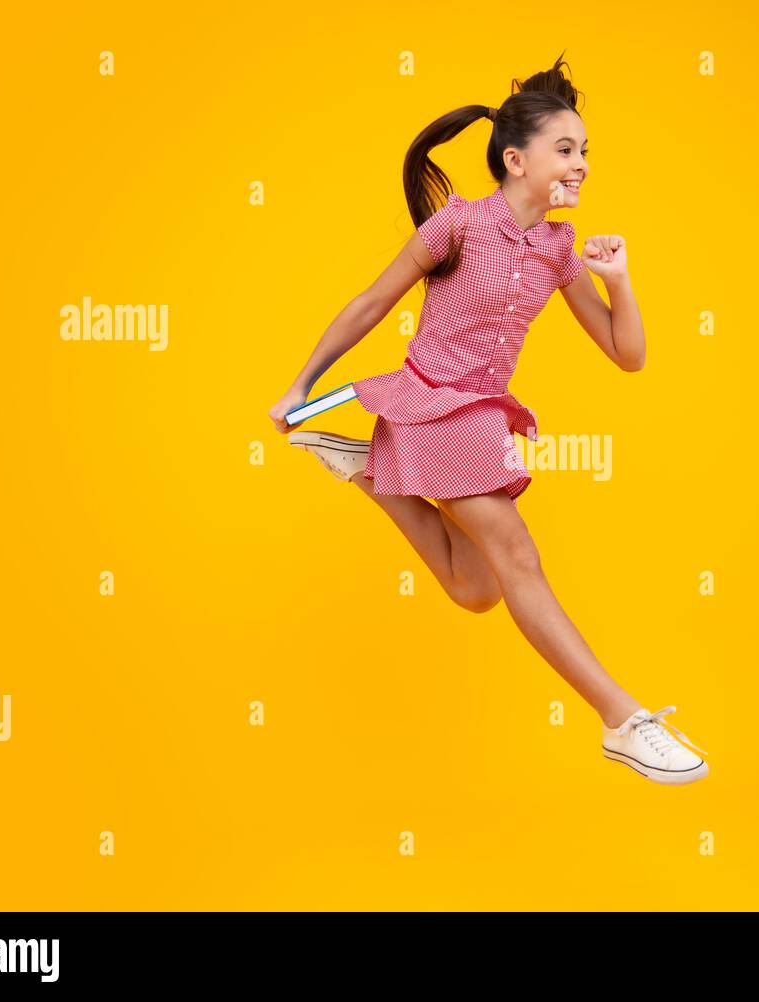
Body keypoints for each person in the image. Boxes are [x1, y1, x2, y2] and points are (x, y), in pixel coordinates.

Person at [267, 53, 708, 784]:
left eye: (586, 151)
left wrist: (619, 279)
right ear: (515, 159)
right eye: (566, 149)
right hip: (427, 402)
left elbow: (626, 355)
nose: (582, 165)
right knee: (519, 556)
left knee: (476, 590)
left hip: (479, 414)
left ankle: (365, 469)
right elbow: (371, 304)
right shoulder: (458, 227)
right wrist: (300, 385)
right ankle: (624, 720)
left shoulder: (561, 250)